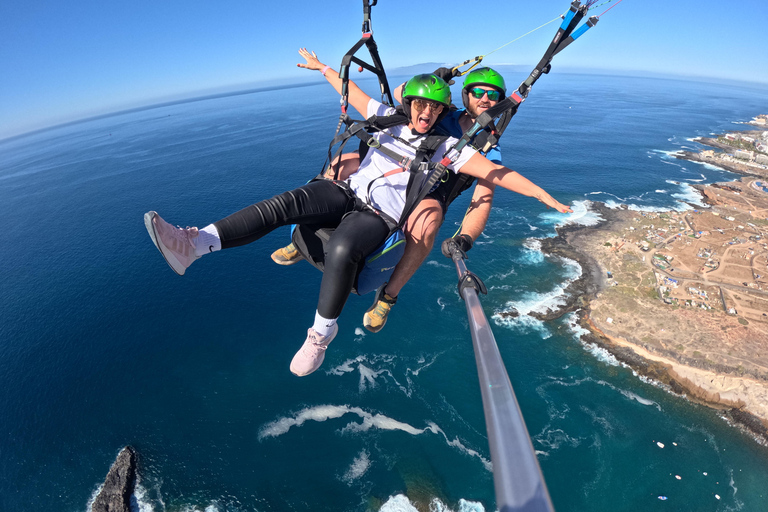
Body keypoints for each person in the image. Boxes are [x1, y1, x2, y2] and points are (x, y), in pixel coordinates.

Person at [144, 48, 572, 377]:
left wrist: (542, 196)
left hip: (385, 214)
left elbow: (496, 174)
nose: (425, 112)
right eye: (419, 105)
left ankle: (322, 334)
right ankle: (195, 243)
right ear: (413, 103)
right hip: (349, 194)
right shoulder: (391, 118)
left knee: (349, 245)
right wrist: (325, 68)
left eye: (432, 108)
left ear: (441, 112)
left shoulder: (450, 148)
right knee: (293, 200)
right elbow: (355, 95)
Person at [271, 67, 509, 333]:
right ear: (466, 95)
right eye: (478, 91)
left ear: (501, 101)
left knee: (426, 224)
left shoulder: (488, 147)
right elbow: (402, 93)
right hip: (399, 165)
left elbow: (484, 197)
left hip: (430, 189)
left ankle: (388, 296)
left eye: (493, 94)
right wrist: (436, 77)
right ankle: (306, 237)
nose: (485, 99)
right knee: (339, 164)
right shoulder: (441, 110)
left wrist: (466, 237)